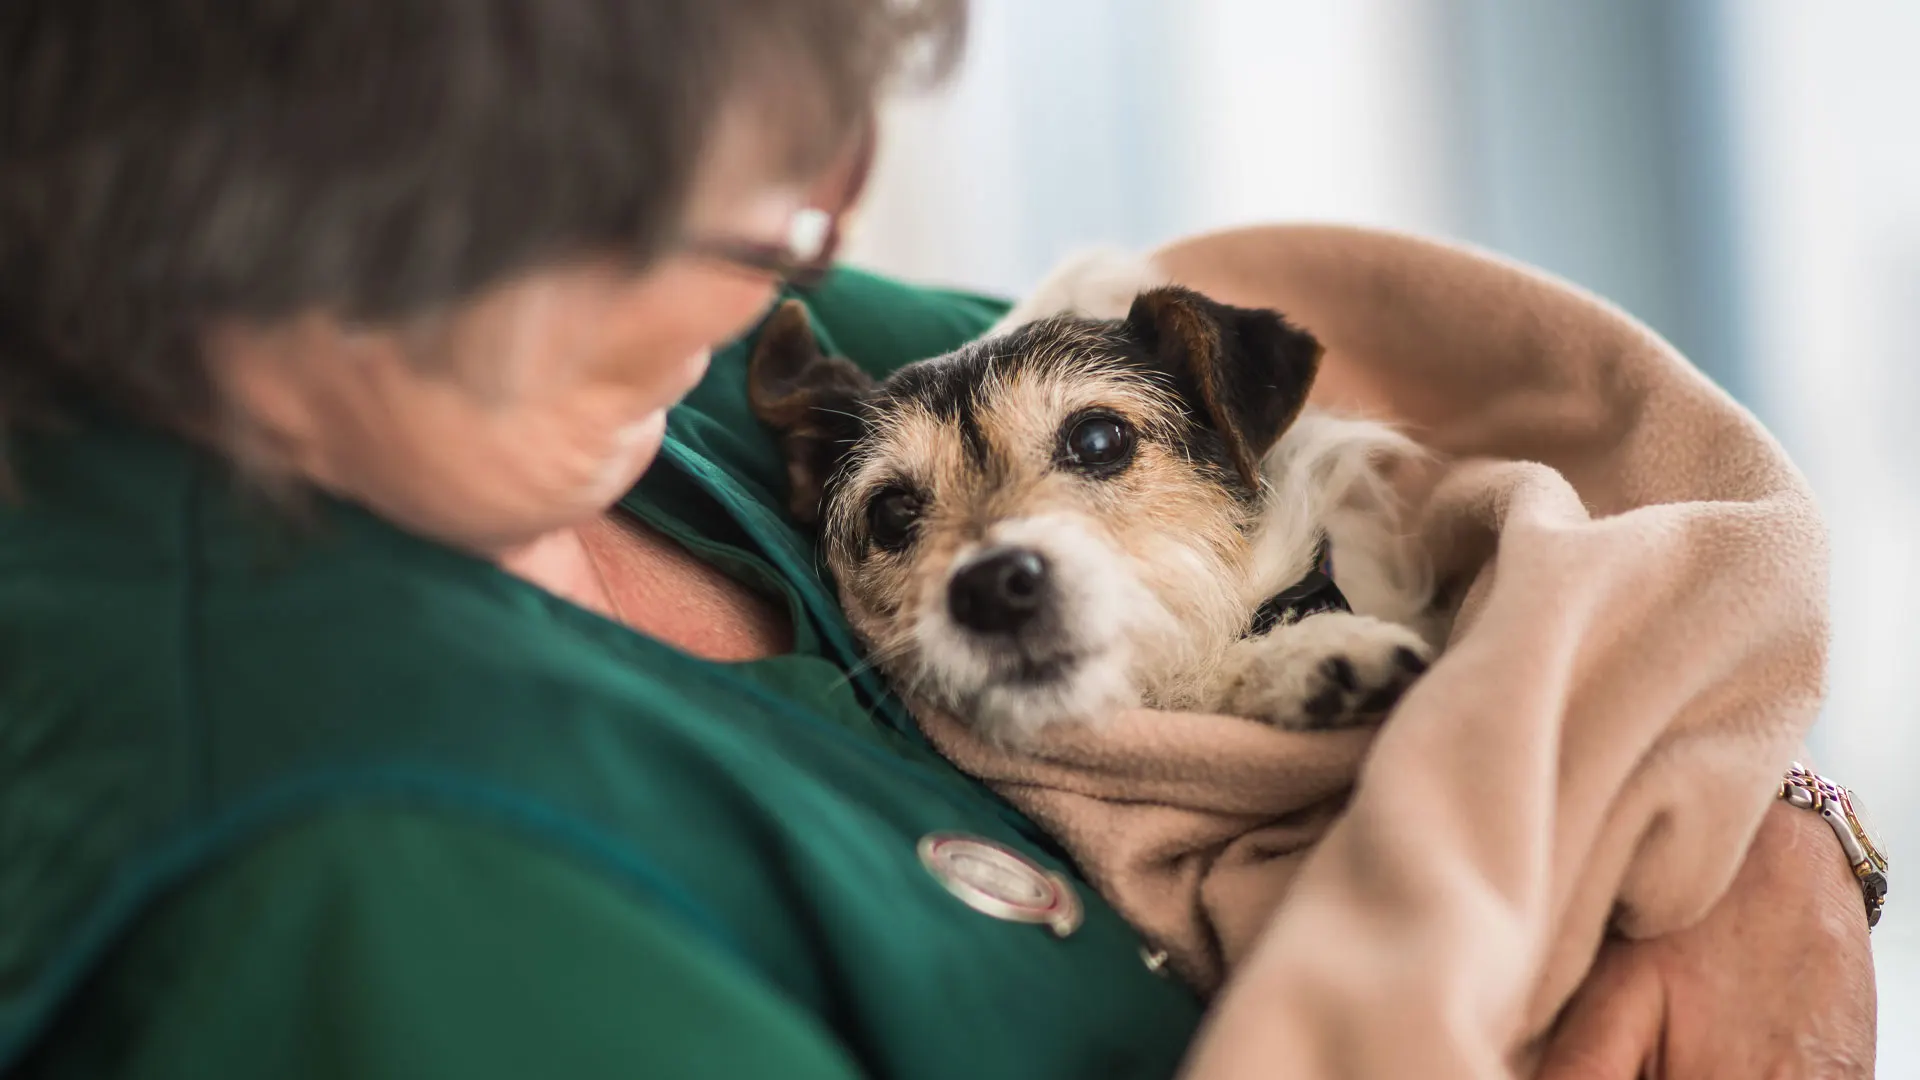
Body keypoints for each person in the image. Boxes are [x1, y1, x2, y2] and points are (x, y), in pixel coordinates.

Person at [0, 3, 1874, 1078]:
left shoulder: (638, 377)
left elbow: (1377, 440)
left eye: (805, 130)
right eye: (641, 192)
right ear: (278, 184)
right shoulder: (343, 869)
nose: (798, 245)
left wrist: (1769, 838)